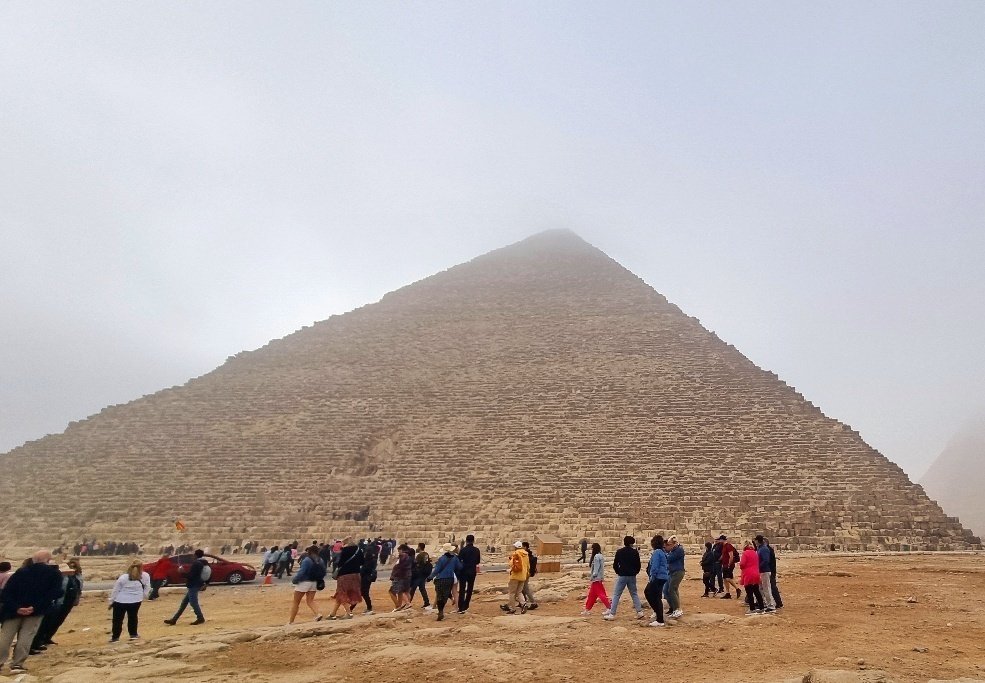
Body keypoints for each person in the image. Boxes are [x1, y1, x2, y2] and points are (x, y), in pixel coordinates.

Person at [0, 550, 64, 675]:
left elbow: (7, 592)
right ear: (48, 560)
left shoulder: (21, 572)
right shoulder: (54, 573)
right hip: (35, 611)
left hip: (13, 611)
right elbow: (55, 593)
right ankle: (17, 664)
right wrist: (34, 607)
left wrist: (17, 607)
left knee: (5, 637)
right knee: (26, 636)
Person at [31, 559, 83, 650]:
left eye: (74, 566)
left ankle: (47, 638)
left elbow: (79, 589)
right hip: (57, 602)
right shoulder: (60, 577)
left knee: (58, 621)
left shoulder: (77, 577)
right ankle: (39, 640)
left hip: (68, 602)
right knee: (49, 621)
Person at [604, 536, 645, 620]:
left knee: (616, 594)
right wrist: (635, 572)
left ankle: (612, 614)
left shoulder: (619, 552)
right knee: (634, 594)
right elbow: (638, 565)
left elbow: (615, 564)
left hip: (622, 575)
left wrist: (618, 572)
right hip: (632, 576)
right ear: (631, 543)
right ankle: (639, 612)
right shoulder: (635, 552)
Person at [108, 559, 150, 642]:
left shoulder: (123, 577)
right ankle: (133, 634)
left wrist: (111, 601)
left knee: (117, 620)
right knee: (133, 617)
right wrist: (142, 596)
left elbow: (116, 590)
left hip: (120, 601)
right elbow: (147, 588)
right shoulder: (145, 576)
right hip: (136, 600)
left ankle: (115, 637)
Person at [164, 549, 208, 625]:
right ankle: (174, 619)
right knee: (184, 603)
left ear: (195, 555)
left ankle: (200, 618)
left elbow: (191, 576)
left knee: (193, 603)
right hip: (196, 584)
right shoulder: (203, 563)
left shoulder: (196, 563)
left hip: (193, 585)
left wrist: (182, 572)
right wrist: (206, 584)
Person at [288, 546, 326, 624]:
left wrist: (295, 580)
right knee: (310, 601)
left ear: (309, 551)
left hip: (304, 582)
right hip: (314, 582)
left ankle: (291, 621)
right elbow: (324, 572)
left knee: (296, 602)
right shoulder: (321, 560)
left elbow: (302, 572)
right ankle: (318, 614)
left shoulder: (307, 560)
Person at [328, 538, 363, 619]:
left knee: (341, 593)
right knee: (342, 594)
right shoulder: (358, 550)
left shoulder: (344, 551)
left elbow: (339, 563)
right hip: (356, 574)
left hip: (344, 575)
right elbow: (362, 562)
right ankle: (332, 614)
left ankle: (349, 613)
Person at [427, 544, 463, 621]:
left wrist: (430, 577)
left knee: (439, 595)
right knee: (445, 596)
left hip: (440, 578)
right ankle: (441, 611)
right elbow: (460, 567)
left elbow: (437, 570)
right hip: (450, 578)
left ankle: (440, 611)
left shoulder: (441, 559)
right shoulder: (455, 558)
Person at [643, 535, 669, 627]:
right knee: (656, 596)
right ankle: (659, 616)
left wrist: (652, 577)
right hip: (663, 577)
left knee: (648, 593)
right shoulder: (662, 552)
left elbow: (655, 566)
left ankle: (659, 618)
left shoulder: (657, 552)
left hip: (657, 577)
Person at [581, 543, 610, 616]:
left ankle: (609, 608)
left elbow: (596, 568)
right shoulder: (600, 556)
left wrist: (593, 575)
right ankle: (587, 609)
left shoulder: (596, 556)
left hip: (596, 579)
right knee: (592, 595)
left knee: (601, 594)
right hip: (598, 578)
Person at [503, 541, 529, 615]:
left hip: (515, 576)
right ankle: (523, 604)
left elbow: (511, 564)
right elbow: (528, 566)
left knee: (512, 593)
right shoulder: (526, 554)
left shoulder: (516, 553)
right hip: (523, 576)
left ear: (516, 547)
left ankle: (512, 608)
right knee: (519, 592)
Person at [739, 540, 765, 614]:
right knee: (756, 591)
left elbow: (742, 564)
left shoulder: (745, 553)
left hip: (748, 574)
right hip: (756, 573)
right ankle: (761, 607)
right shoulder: (755, 552)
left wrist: (741, 566)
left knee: (749, 592)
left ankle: (752, 609)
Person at [456, 534, 480, 614]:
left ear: (466, 541)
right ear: (473, 541)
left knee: (462, 589)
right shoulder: (477, 550)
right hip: (472, 571)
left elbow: (459, 560)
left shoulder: (463, 550)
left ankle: (460, 607)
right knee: (470, 589)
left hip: (463, 571)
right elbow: (477, 561)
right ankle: (466, 605)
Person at [754, 535, 777, 613]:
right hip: (761, 571)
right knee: (761, 588)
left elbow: (766, 560)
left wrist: (758, 567)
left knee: (766, 589)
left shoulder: (764, 549)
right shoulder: (760, 548)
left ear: (757, 540)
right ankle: (763, 603)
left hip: (764, 571)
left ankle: (771, 606)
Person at [665, 535, 685, 618]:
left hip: (677, 571)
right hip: (672, 572)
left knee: (672, 589)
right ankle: (673, 608)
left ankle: (677, 609)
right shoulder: (674, 550)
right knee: (666, 590)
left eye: (669, 544)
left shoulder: (679, 550)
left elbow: (669, 559)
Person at [388, 544, 413, 611]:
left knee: (392, 591)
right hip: (406, 576)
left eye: (399, 551)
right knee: (403, 592)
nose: (398, 552)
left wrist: (394, 575)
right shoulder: (409, 556)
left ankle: (399, 605)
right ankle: (402, 605)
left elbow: (400, 567)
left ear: (401, 550)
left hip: (400, 577)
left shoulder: (403, 556)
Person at [409, 543, 433, 611]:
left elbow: (416, 564)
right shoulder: (426, 554)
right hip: (424, 574)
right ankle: (426, 602)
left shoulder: (419, 555)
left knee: (413, 588)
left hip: (419, 574)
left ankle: (408, 602)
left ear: (419, 547)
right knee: (422, 588)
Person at [719, 535, 740, 599]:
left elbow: (731, 556)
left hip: (729, 565)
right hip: (724, 564)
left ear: (722, 540)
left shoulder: (728, 546)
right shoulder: (724, 546)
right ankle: (728, 593)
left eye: (720, 540)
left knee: (728, 578)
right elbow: (723, 555)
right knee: (725, 579)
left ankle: (737, 589)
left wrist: (729, 564)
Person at [359, 543, 379, 615]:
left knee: (363, 593)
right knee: (364, 593)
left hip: (365, 579)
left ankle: (369, 608)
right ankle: (369, 607)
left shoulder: (368, 561)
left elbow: (364, 570)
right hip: (368, 579)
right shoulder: (373, 560)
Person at [520, 541, 538, 610]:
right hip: (526, 573)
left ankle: (533, 603)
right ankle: (522, 602)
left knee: (525, 588)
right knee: (521, 588)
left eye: (522, 546)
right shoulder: (529, 554)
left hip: (525, 573)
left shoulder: (525, 554)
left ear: (525, 547)